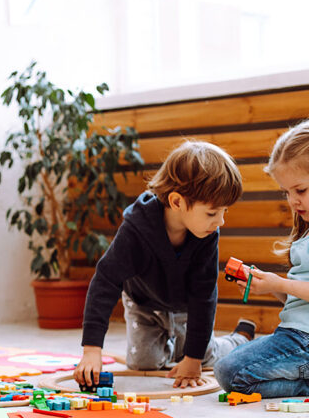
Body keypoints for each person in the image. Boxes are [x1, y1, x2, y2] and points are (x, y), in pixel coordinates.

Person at [74, 140, 255, 390]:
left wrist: (193, 360)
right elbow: (105, 281)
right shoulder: (136, 230)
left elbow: (204, 297)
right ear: (177, 202)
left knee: (204, 355)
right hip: (143, 304)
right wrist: (92, 350)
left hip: (185, 308)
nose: (220, 221)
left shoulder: (207, 234)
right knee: (143, 363)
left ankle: (237, 340)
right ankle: (173, 348)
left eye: (224, 212)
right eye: (213, 213)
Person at [215, 121, 309, 397]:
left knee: (229, 372)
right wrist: (269, 287)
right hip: (294, 334)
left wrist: (279, 284)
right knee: (231, 366)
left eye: (300, 190)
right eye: (286, 192)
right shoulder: (304, 234)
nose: (292, 200)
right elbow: (298, 300)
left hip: (303, 339)